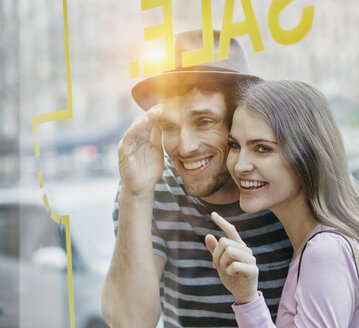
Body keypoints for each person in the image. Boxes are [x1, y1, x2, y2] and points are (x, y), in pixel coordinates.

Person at [101, 30, 292, 328]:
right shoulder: (152, 187)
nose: (185, 146)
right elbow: (129, 322)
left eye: (204, 121)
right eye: (169, 126)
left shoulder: (285, 181)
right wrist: (135, 196)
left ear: (240, 118)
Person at [205, 80, 359, 327]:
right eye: (235, 145)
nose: (240, 165)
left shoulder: (324, 251)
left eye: (262, 148)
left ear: (307, 156)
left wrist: (249, 302)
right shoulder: (327, 240)